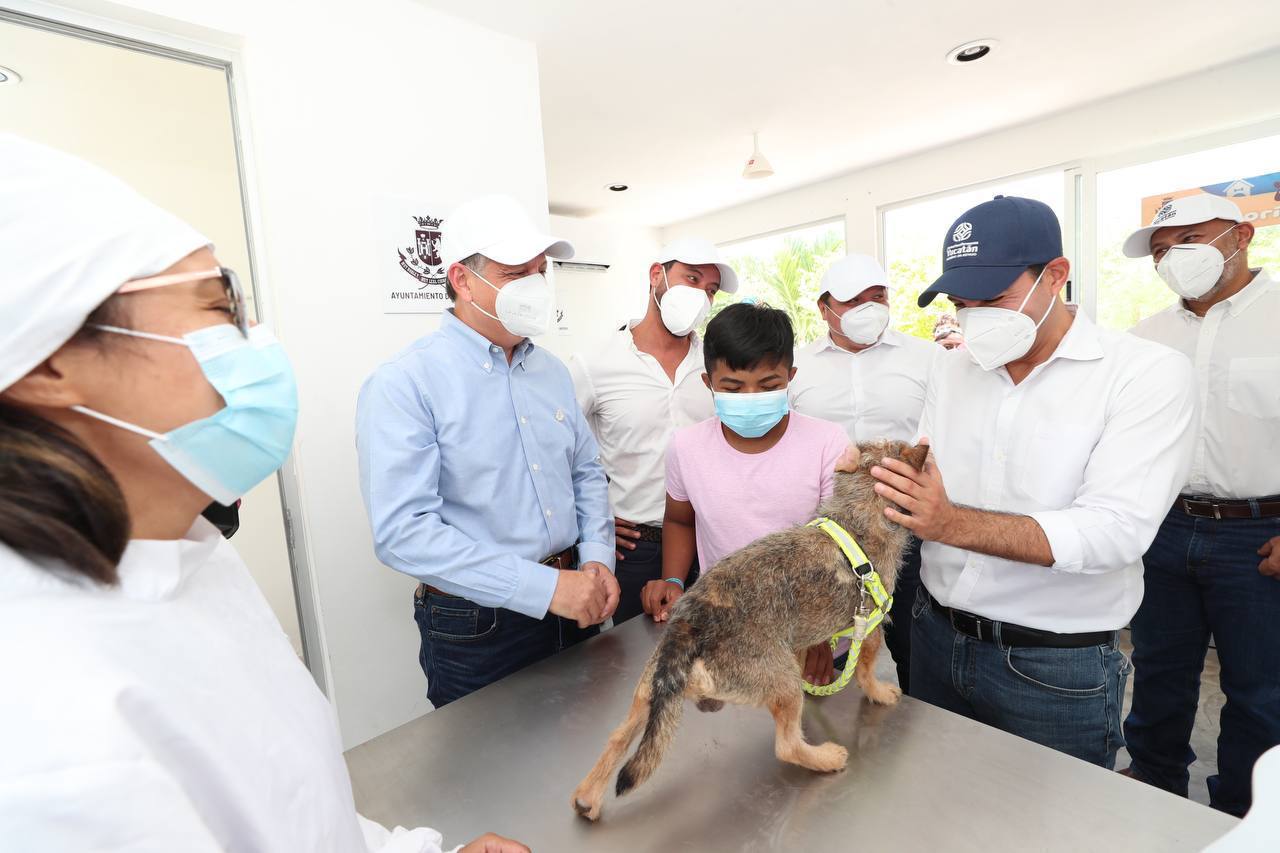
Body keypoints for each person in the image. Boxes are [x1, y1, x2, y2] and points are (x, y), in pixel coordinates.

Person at [0, 134, 525, 852]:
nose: (258, 345)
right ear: (49, 361)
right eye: (219, 310)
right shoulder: (45, 740)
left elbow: (296, 813)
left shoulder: (190, 555)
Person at [870, 195, 1197, 769]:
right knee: (935, 803)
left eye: (995, 300)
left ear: (1056, 275)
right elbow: (925, 473)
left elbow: (1115, 531)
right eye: (960, 304)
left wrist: (949, 523)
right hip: (934, 636)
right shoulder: (951, 369)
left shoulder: (1143, 374)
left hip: (1051, 666)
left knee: (1049, 825)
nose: (975, 319)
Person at [356, 194, 619, 709]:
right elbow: (402, 534)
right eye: (516, 271)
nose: (536, 285)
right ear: (462, 280)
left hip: (579, 595)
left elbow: (585, 473)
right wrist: (544, 588)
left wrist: (596, 558)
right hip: (480, 625)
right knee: (489, 779)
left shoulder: (551, 372)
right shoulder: (405, 383)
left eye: (540, 271)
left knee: (584, 749)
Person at [1117, 194, 1280, 816]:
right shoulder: (1145, 339)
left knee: (1259, 690)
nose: (1171, 259)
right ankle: (1154, 782)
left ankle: (1246, 810)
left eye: (1187, 241)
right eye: (1161, 251)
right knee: (1158, 668)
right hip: (1164, 526)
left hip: (1259, 533)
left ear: (1241, 235)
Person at [643, 302, 850, 688]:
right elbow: (679, 519)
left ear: (791, 376)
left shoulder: (827, 443)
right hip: (724, 634)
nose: (751, 396)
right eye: (733, 388)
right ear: (708, 383)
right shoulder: (686, 448)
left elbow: (839, 548)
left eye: (769, 386)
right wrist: (672, 580)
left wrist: (818, 631)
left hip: (809, 643)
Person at [789, 254, 937, 694]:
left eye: (877, 297)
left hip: (906, 528)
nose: (868, 308)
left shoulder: (928, 359)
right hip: (828, 534)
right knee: (820, 645)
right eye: (852, 300)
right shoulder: (800, 367)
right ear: (824, 308)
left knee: (914, 644)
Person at [568, 239, 736, 623]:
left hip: (714, 540)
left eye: (710, 290)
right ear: (656, 275)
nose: (700, 296)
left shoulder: (719, 363)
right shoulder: (594, 364)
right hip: (634, 548)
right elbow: (559, 453)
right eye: (691, 279)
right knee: (633, 667)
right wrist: (591, 520)